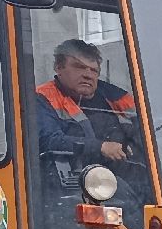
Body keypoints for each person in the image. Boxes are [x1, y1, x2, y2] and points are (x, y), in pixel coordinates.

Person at [34, 39, 141, 171]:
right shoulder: (42, 98)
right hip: (78, 181)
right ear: (58, 68)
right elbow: (48, 140)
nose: (88, 75)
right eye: (79, 67)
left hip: (132, 174)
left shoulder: (115, 96)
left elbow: (145, 128)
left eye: (94, 70)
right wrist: (100, 147)